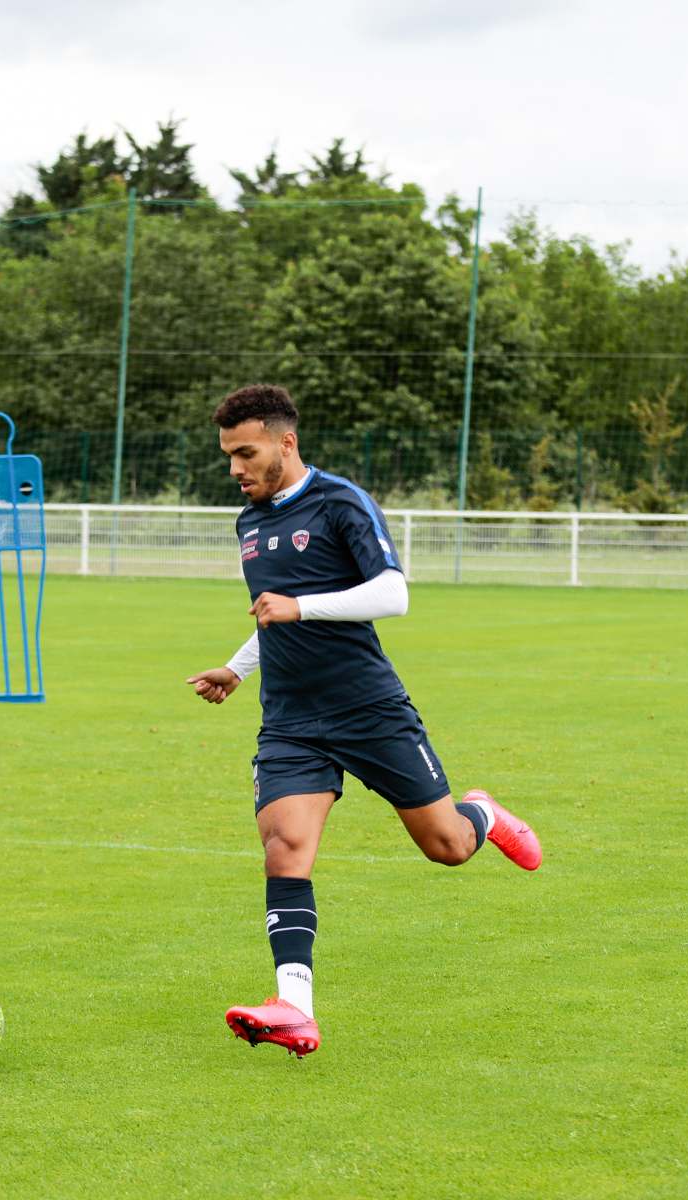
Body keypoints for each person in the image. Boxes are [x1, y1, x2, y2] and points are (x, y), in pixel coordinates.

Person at [187, 384, 542, 1058]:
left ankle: (483, 813)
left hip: (367, 708)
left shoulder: (340, 501)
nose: (234, 468)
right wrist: (237, 667)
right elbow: (272, 614)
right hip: (290, 719)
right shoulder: (249, 523)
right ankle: (295, 1007)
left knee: (447, 846)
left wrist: (301, 607)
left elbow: (392, 593)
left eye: (246, 453)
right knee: (284, 846)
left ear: (286, 442)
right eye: (228, 455)